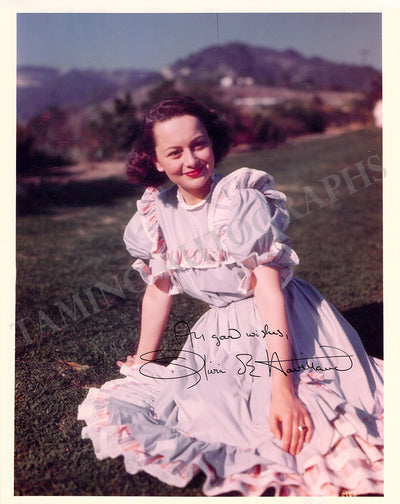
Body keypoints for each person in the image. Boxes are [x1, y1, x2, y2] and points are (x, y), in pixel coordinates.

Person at [78, 96, 383, 496]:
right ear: (156, 160)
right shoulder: (156, 214)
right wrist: (145, 360)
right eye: (175, 152)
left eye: (198, 144)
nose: (191, 160)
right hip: (220, 333)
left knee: (298, 413)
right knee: (209, 411)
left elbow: (269, 292)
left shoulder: (240, 200)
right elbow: (159, 289)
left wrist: (283, 390)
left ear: (212, 142)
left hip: (284, 320)